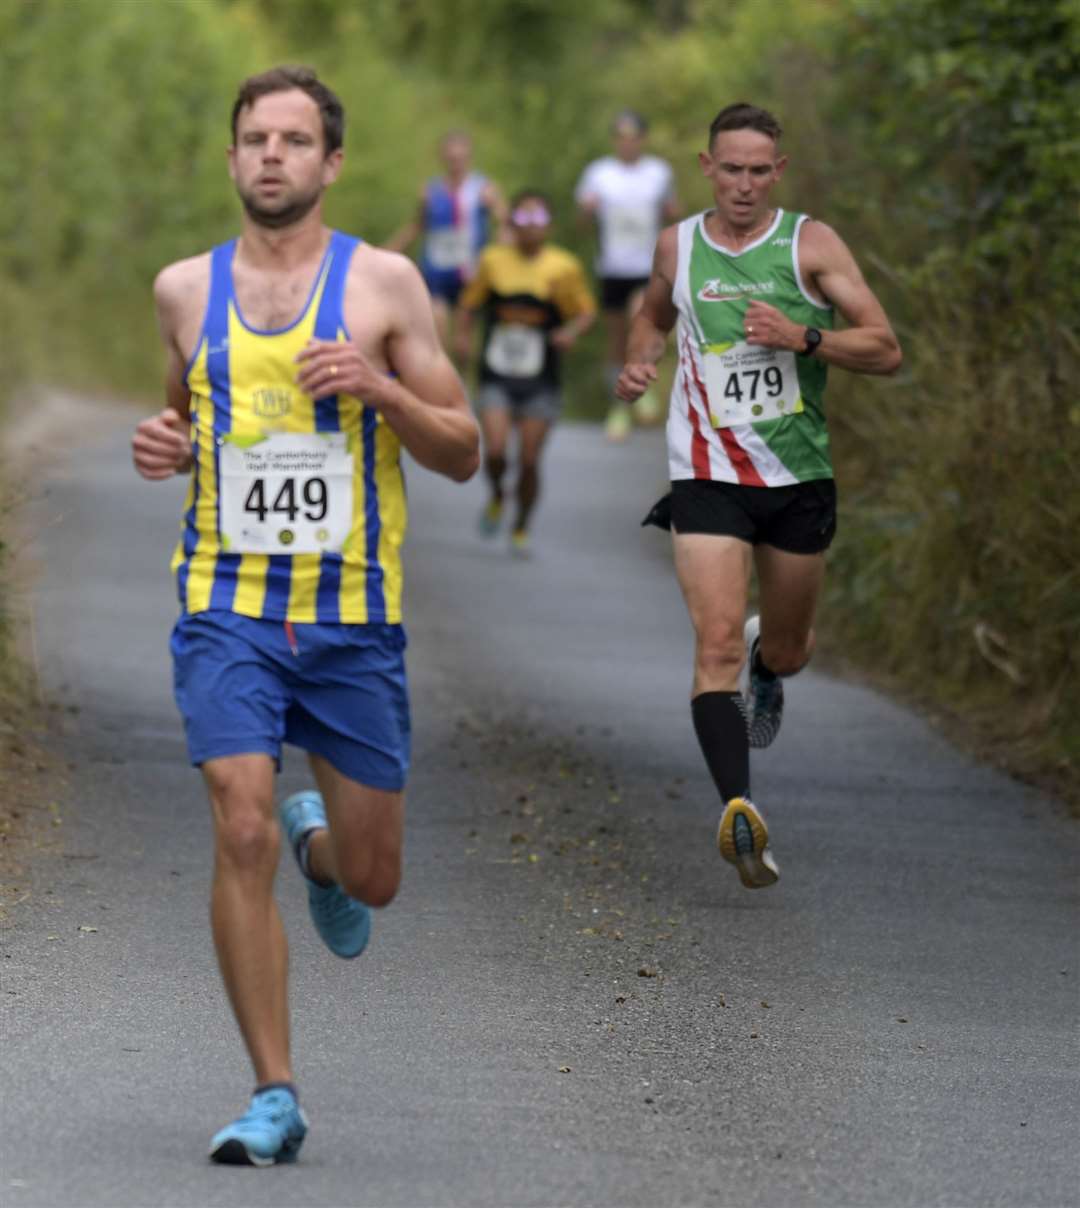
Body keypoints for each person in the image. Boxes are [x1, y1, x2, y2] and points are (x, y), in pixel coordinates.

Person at [130, 66, 479, 1166]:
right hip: (224, 603)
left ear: (331, 163)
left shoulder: (384, 287)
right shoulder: (185, 288)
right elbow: (186, 410)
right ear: (232, 158)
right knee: (236, 822)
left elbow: (464, 447)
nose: (270, 155)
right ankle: (273, 1090)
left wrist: (383, 393)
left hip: (351, 619)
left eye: (293, 140)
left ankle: (320, 850)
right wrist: (167, 443)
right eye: (253, 138)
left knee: (376, 877)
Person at [616, 102, 901, 889]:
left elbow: (885, 349)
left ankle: (767, 660)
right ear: (706, 167)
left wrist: (805, 336)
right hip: (706, 472)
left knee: (788, 649)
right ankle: (739, 808)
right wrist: (641, 362)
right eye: (729, 169)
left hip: (796, 477)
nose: (743, 185)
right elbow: (649, 317)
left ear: (778, 171)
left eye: (758, 171)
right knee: (711, 645)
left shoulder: (811, 244)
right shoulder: (678, 244)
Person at [454, 190, 596, 557]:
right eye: (522, 219)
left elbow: (584, 311)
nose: (530, 229)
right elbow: (470, 304)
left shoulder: (563, 267)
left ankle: (521, 525)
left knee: (530, 459)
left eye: (538, 220)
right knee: (497, 451)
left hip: (541, 377)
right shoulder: (493, 261)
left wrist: (570, 332)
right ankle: (498, 493)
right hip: (497, 373)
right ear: (511, 223)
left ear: (549, 225)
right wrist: (463, 337)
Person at [575, 110, 680, 441]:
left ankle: (644, 386)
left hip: (647, 267)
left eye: (633, 136)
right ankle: (619, 405)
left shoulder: (658, 173)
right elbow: (581, 223)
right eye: (621, 137)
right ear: (615, 140)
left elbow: (673, 212)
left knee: (641, 321)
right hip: (611, 267)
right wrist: (587, 212)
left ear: (642, 139)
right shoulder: (598, 174)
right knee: (617, 342)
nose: (627, 143)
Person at [385, 130, 507, 352]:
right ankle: (441, 383)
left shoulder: (483, 189)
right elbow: (416, 226)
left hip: (470, 274)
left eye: (460, 158)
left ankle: (464, 383)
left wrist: (501, 255)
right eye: (451, 158)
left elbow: (505, 222)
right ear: (443, 158)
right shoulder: (430, 191)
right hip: (436, 274)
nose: (456, 163)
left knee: (464, 344)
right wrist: (387, 251)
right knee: (436, 337)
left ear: (469, 157)